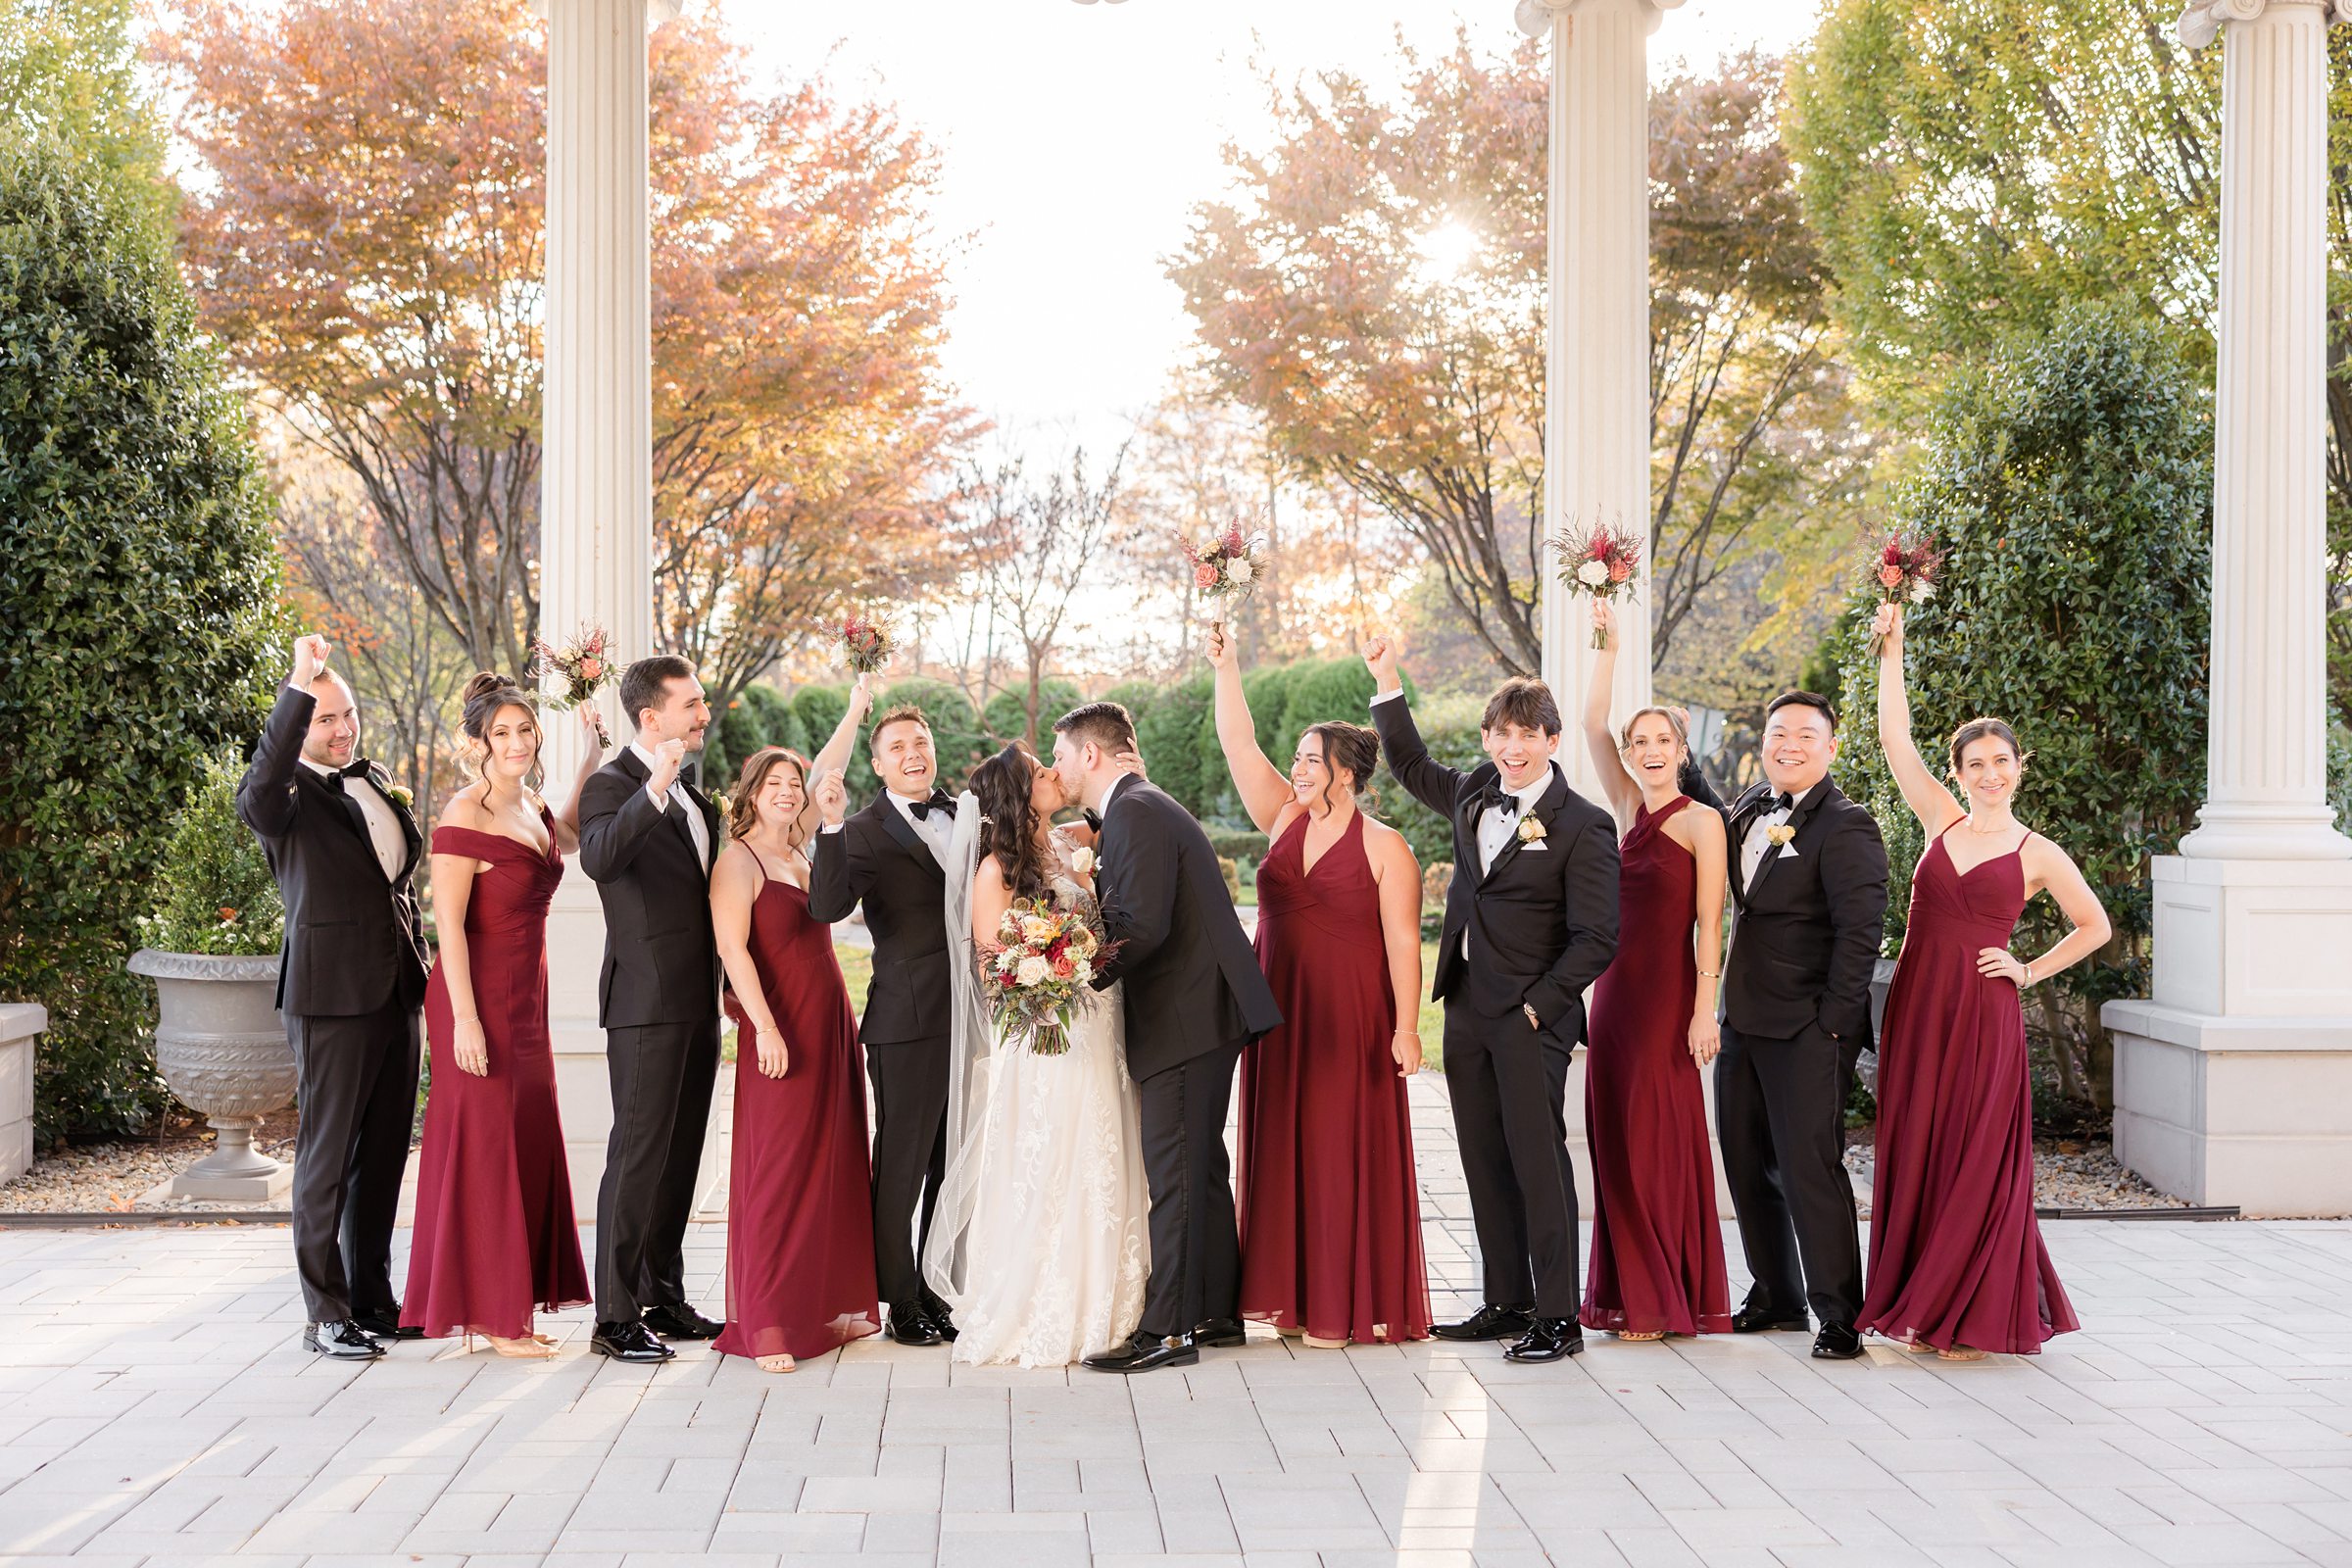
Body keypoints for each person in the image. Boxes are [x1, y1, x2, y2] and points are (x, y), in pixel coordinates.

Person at [1856, 603, 2105, 1358]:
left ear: (2019, 766)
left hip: (1983, 1015)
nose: (1990, 774)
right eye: (1976, 764)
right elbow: (1895, 739)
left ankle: (1967, 1314)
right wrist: (1892, 650)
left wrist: (2027, 970)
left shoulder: (2039, 852)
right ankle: (1922, 1302)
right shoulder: (1941, 819)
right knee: (1921, 1147)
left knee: (1975, 1157)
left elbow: (2094, 925)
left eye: (2001, 761)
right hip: (1918, 1008)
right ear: (1959, 774)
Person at [1363, 635, 1620, 1364]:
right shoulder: (1476, 791)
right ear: (1487, 738)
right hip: (1466, 1006)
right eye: (1503, 734)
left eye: (1528, 736)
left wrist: (1539, 1006)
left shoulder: (1584, 823)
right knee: (1482, 1157)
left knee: (1538, 1162)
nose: (1514, 748)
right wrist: (1387, 680)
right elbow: (1410, 764)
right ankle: (1507, 1301)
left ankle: (1559, 1317)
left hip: (1531, 1018)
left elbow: (1598, 937)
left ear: (1552, 741)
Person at [1203, 626, 1431, 1348]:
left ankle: (1343, 1301)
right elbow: (1239, 745)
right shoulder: (1283, 819)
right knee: (1282, 1148)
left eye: (1311, 760)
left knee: (1336, 1152)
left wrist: (1406, 1027)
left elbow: (1403, 943)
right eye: (1298, 758)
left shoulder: (1387, 846)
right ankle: (1293, 1298)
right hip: (1277, 1014)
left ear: (1348, 773)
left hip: (1348, 1017)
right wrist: (1228, 667)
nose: (1298, 770)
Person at [1054, 702, 1285, 1374]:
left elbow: (1142, 924)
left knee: (1176, 1173)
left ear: (1091, 754)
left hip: (1186, 1016)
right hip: (1200, 1012)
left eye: (1062, 755)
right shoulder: (1134, 808)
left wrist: (1071, 975)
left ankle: (1169, 1330)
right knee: (1199, 1167)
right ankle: (1214, 1312)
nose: (1058, 767)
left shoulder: (1136, 811)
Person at [915, 743, 1150, 1368]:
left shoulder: (1064, 846)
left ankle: (1111, 1294)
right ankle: (1048, 1300)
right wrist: (1046, 977)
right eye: (1041, 772)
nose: (1053, 773)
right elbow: (992, 970)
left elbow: (1103, 905)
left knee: (1102, 1144)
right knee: (1054, 1154)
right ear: (1021, 795)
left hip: (1100, 1024)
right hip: (1046, 1035)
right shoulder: (996, 870)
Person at [1679, 685, 1889, 1361]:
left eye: (1805, 735)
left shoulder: (1847, 825)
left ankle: (1840, 1315)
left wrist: (1832, 1025)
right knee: (1745, 1163)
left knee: (1809, 1169)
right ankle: (1776, 1294)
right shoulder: (1749, 805)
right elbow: (1713, 821)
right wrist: (1682, 761)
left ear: (1831, 747)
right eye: (1778, 733)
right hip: (1742, 1020)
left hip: (1808, 1029)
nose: (1789, 745)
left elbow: (1861, 935)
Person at [236, 633, 428, 1360]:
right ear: (298, 726)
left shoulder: (373, 779)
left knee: (382, 1155)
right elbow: (261, 786)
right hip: (330, 996)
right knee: (326, 1158)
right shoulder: (282, 797)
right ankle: (325, 1313)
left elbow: (396, 885)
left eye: (347, 714)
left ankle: (372, 1301)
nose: (343, 728)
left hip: (398, 990)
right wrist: (298, 683)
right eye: (324, 719)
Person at [401, 674, 602, 1356]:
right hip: (476, 994)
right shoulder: (465, 814)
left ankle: (507, 1303)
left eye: (524, 730)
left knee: (523, 1139)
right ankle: (489, 1316)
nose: (516, 743)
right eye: (501, 733)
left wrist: (590, 758)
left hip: (527, 997)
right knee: (485, 1147)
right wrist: (464, 1020)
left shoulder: (532, 804)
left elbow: (566, 837)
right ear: (478, 743)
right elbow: (448, 929)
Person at [710, 683, 887, 1373]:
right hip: (779, 1026)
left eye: (793, 784)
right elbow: (732, 951)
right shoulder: (739, 861)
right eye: (774, 784)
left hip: (829, 1020)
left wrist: (854, 709)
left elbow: (827, 771)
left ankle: (816, 1306)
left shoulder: (799, 849)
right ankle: (767, 1324)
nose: (787, 792)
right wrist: (764, 1029)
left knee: (828, 1165)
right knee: (778, 1173)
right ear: (751, 794)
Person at [1575, 601, 1732, 1342]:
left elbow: (1711, 925)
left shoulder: (1703, 821)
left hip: (1670, 1001)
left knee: (1658, 1142)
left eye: (1662, 740)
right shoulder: (1625, 804)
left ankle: (1662, 1296)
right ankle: (1630, 1291)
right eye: (1640, 742)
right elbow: (1590, 723)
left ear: (1682, 748)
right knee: (1615, 1141)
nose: (1649, 750)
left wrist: (1705, 1009)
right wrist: (1606, 643)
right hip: (1615, 999)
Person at [575, 655, 723, 1363]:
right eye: (691, 704)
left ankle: (662, 1295)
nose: (703, 713)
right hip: (643, 1001)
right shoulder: (612, 786)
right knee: (636, 1158)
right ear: (650, 716)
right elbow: (599, 859)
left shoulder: (697, 797)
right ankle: (614, 1317)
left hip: (699, 1000)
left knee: (680, 1156)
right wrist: (655, 787)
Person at [806, 703, 962, 1347]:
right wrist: (831, 826)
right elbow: (826, 905)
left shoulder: (965, 815)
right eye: (897, 747)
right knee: (903, 1164)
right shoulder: (863, 831)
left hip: (972, 1017)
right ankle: (899, 1300)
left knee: (952, 1162)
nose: (912, 754)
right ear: (877, 764)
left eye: (920, 742)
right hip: (907, 1020)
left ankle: (934, 1289)